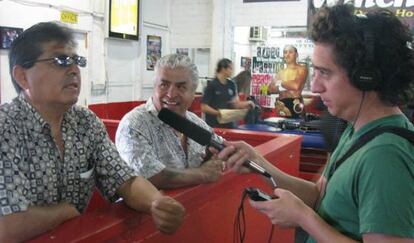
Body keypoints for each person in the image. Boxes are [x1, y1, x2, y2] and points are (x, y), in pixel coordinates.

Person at [214, 4, 414, 243]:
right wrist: (259, 162)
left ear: (366, 76)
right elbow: (320, 195)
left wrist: (303, 217)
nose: (316, 87)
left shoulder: (384, 155)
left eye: (325, 73)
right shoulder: (357, 129)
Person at [0, 22, 185, 242]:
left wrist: (156, 202)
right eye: (60, 60)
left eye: (77, 61)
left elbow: (125, 180)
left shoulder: (85, 122)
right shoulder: (6, 128)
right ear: (22, 76)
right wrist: (66, 211)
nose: (74, 70)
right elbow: (7, 226)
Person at [116, 54, 224, 189]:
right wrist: (203, 174)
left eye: (181, 87)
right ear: (154, 87)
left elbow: (221, 149)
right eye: (164, 85)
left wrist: (217, 159)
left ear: (193, 94)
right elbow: (150, 175)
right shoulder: (134, 124)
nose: (171, 94)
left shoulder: (196, 123)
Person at [201, 58, 254, 128]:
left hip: (229, 125)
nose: (232, 71)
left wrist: (246, 104)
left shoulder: (232, 84)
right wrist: (218, 113)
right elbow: (204, 107)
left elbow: (235, 104)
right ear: (223, 69)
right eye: (230, 68)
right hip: (214, 125)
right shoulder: (212, 85)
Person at [269, 45, 308, 118]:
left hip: (295, 104)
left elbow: (296, 85)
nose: (287, 55)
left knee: (296, 127)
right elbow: (271, 89)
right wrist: (287, 85)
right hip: (281, 105)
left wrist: (280, 83)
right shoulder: (280, 72)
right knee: (281, 127)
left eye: (290, 52)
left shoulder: (302, 69)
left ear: (296, 55)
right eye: (285, 52)